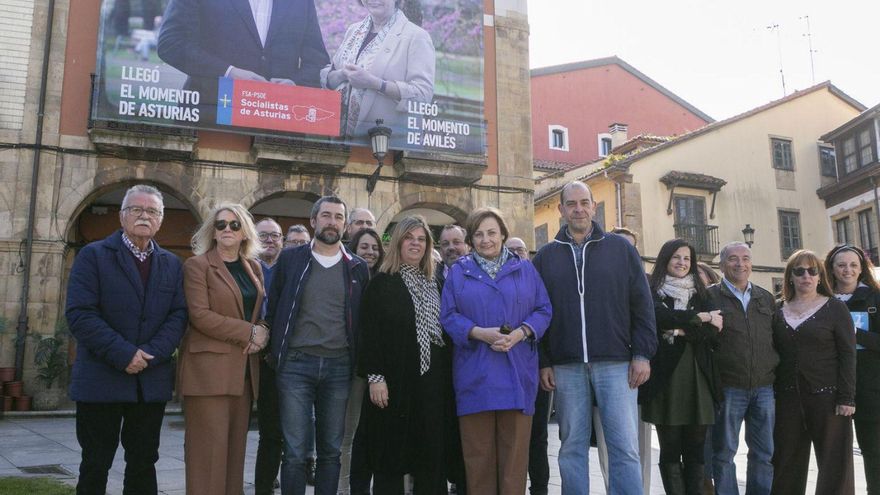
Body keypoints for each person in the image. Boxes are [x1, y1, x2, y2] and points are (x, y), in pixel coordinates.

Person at [532, 181, 657, 495]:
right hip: (566, 365)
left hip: (616, 362)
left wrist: (642, 353)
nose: (578, 209)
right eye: (571, 203)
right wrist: (544, 361)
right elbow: (537, 311)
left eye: (584, 202)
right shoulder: (546, 257)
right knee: (571, 445)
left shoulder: (621, 249)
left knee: (624, 446)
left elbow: (642, 305)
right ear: (561, 209)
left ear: (593, 206)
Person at [66, 185, 187, 495]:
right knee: (95, 462)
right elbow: (81, 314)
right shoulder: (92, 255)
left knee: (144, 461)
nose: (144, 216)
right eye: (136, 209)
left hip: (150, 380)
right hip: (101, 380)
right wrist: (124, 354)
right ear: (122, 216)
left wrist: (151, 353)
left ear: (161, 220)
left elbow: (178, 316)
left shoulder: (172, 264)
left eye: (152, 211)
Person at [441, 207, 552, 494]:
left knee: (514, 463)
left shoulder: (525, 269)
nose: (485, 239)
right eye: (478, 234)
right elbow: (448, 316)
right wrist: (478, 333)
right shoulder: (458, 272)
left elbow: (543, 309)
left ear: (503, 234)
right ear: (470, 239)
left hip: (517, 373)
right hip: (474, 374)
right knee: (478, 462)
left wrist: (520, 332)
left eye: (491, 232)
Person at [266, 196, 371, 495]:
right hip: (296, 365)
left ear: (346, 225)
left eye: (339, 217)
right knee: (296, 452)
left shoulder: (357, 267)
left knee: (331, 451)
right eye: (326, 215)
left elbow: (362, 319)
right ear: (313, 221)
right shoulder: (291, 259)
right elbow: (274, 308)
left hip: (339, 367)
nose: (332, 222)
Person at [357, 216, 455, 493]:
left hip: (432, 382)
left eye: (421, 239)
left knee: (430, 454)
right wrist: (376, 377)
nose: (415, 243)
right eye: (409, 238)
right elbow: (370, 334)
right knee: (391, 456)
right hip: (394, 381)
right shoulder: (382, 284)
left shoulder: (435, 283)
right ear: (398, 242)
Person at [179, 203, 268, 495]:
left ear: (245, 232)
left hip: (242, 374)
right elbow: (200, 316)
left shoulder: (253, 267)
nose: (227, 229)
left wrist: (263, 329)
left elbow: (256, 311)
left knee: (234, 456)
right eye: (221, 225)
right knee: (208, 457)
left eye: (234, 224)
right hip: (208, 375)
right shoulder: (197, 266)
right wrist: (249, 332)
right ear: (212, 232)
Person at [157, 0, 330, 123]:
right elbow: (171, 44)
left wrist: (295, 84)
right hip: (210, 117)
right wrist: (228, 72)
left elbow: (317, 62)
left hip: (278, 127)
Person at [639, 239, 722, 495]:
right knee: (670, 448)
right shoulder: (651, 291)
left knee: (697, 449)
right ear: (665, 259)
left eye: (687, 258)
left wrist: (678, 329)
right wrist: (700, 318)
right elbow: (657, 318)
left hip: (699, 378)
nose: (682, 263)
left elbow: (713, 332)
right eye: (676, 257)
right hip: (666, 380)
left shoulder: (703, 293)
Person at [771, 249, 856, 495]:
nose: (806, 276)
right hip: (786, 397)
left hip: (828, 397)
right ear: (790, 277)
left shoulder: (835, 308)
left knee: (834, 465)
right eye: (799, 271)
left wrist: (847, 398)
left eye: (812, 271)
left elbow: (848, 355)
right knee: (785, 462)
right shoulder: (777, 310)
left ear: (820, 276)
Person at [706, 242, 778, 495]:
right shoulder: (709, 296)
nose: (740, 264)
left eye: (745, 258)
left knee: (764, 454)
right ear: (722, 264)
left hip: (764, 387)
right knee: (724, 453)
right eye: (733, 259)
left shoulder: (765, 297)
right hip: (728, 387)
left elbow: (777, 339)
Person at [593, 227, 655, 495]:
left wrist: (642, 356)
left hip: (640, 375)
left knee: (635, 445)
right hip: (611, 371)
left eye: (631, 247)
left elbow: (648, 319)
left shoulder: (646, 282)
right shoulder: (599, 282)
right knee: (614, 445)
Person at [321, 0, 435, 140]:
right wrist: (342, 74)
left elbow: (423, 96)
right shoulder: (353, 31)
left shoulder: (416, 36)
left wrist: (374, 83)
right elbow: (329, 79)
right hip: (336, 139)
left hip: (384, 147)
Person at [825, 244, 880, 494]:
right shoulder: (822, 299)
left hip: (871, 388)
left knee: (874, 453)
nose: (847, 270)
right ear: (832, 269)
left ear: (861, 269)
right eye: (841, 265)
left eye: (853, 265)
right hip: (831, 386)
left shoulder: (875, 298)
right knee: (834, 454)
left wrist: (854, 334)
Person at [253, 218, 285, 495]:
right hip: (248, 354)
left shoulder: (288, 270)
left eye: (275, 236)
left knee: (276, 431)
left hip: (279, 359)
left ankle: (269, 485)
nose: (270, 240)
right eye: (264, 235)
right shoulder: (246, 269)